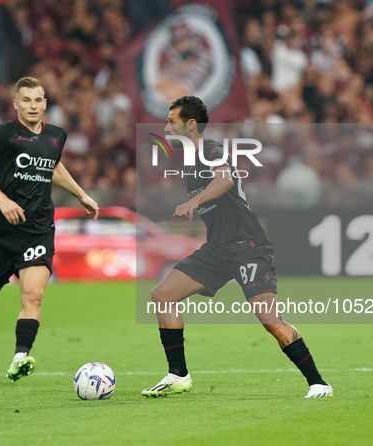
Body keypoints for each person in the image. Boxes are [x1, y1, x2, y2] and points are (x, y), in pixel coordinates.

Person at [141, 96, 332, 398]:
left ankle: (319, 383)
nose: (165, 128)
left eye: (171, 122)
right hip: (217, 249)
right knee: (162, 295)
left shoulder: (210, 149)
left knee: (270, 320)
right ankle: (178, 375)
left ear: (191, 125)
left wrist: (194, 200)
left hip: (248, 246)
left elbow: (225, 180)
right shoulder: (190, 159)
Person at [0, 77, 99, 381]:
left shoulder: (57, 136)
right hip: (2, 230)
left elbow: (53, 165)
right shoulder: (3, 134)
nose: (33, 106)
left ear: (45, 103)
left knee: (33, 296)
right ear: (16, 103)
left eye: (38, 100)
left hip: (39, 229)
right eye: (27, 100)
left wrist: (81, 194)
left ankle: (21, 356)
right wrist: (2, 200)